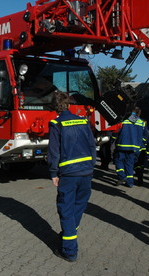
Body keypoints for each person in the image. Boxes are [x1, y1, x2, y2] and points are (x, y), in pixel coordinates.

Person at [48, 91, 96, 262]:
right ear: (68, 104)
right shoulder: (83, 121)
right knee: (78, 207)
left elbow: (54, 152)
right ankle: (69, 234)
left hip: (68, 174)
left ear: (54, 106)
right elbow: (92, 146)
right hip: (86, 172)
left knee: (66, 210)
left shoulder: (56, 124)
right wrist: (91, 166)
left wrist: (53, 173)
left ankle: (69, 250)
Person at [112, 107, 148, 187]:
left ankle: (122, 176)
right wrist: (140, 143)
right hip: (134, 147)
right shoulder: (141, 122)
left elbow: (116, 132)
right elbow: (145, 134)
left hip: (122, 145)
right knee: (129, 164)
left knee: (118, 161)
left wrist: (112, 140)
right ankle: (130, 182)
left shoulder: (124, 120)